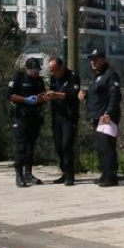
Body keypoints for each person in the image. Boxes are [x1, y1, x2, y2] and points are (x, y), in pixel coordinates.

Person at [80, 49, 122, 187]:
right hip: (97, 116)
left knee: (106, 145)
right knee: (99, 146)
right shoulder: (98, 76)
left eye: (96, 59)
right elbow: (97, 94)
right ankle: (105, 173)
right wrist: (85, 94)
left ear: (103, 59)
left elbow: (114, 96)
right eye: (91, 59)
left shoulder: (111, 75)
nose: (92, 62)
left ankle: (111, 176)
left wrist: (108, 113)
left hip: (107, 117)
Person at [6, 58, 48, 187]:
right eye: (34, 70)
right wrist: (26, 100)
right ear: (27, 68)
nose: (36, 72)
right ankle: (19, 175)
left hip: (34, 116)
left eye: (37, 70)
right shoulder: (18, 77)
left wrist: (42, 98)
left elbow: (43, 95)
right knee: (21, 146)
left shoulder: (39, 80)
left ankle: (28, 173)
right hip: (21, 116)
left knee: (31, 146)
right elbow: (10, 95)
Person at [46, 57, 82, 186]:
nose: (52, 73)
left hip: (69, 116)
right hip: (57, 116)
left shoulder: (72, 76)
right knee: (59, 146)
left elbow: (74, 94)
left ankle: (70, 176)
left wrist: (58, 95)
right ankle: (64, 172)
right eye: (50, 70)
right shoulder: (53, 78)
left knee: (67, 145)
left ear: (61, 68)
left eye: (54, 70)